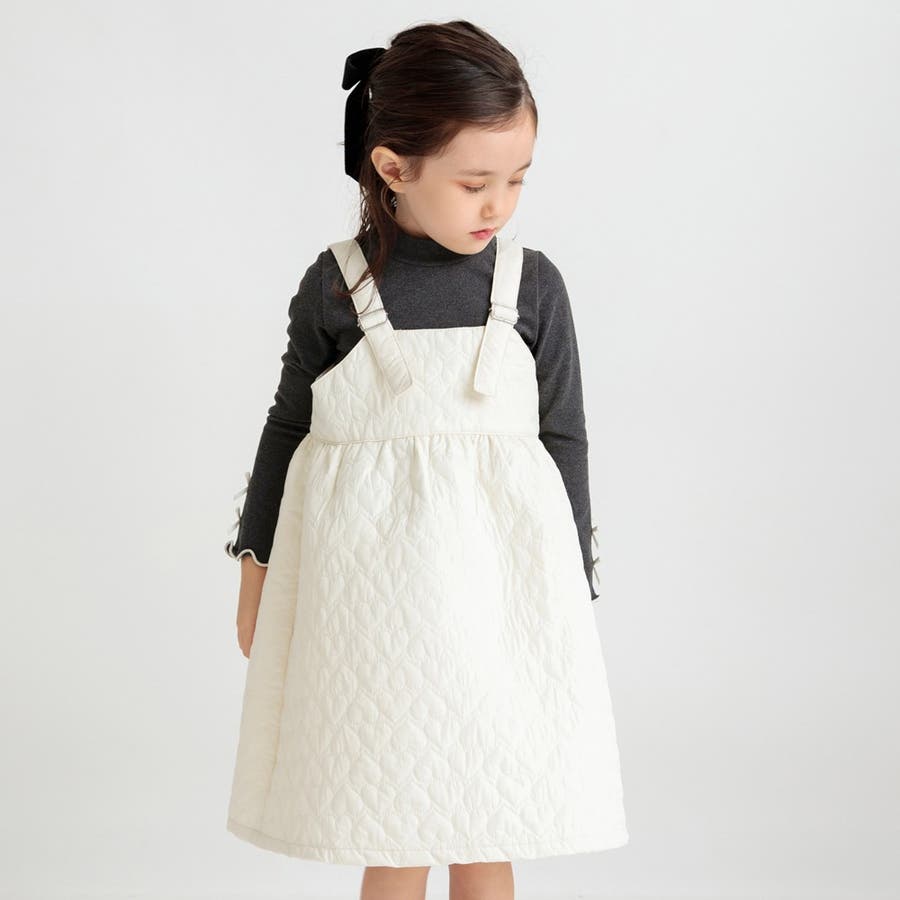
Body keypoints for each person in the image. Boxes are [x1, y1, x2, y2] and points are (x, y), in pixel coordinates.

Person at [223, 19, 629, 900]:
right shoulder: (336, 284)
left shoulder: (532, 285)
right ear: (393, 167)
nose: (499, 205)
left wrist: (575, 580)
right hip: (372, 600)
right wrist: (255, 568)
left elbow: (564, 435)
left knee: (491, 813)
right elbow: (288, 427)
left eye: (517, 179)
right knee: (393, 814)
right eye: (475, 183)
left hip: (502, 590)